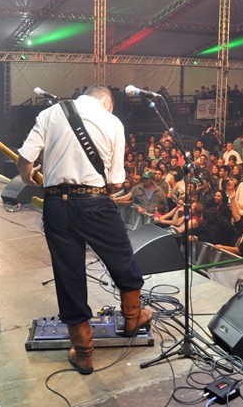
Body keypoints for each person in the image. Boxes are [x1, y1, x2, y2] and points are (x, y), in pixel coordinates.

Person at [17, 85, 152, 375]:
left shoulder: (50, 113)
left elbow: (26, 159)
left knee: (68, 276)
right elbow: (116, 181)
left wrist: (29, 177)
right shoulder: (112, 121)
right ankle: (132, 320)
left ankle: (84, 353)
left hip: (56, 203)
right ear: (108, 102)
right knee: (122, 258)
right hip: (94, 201)